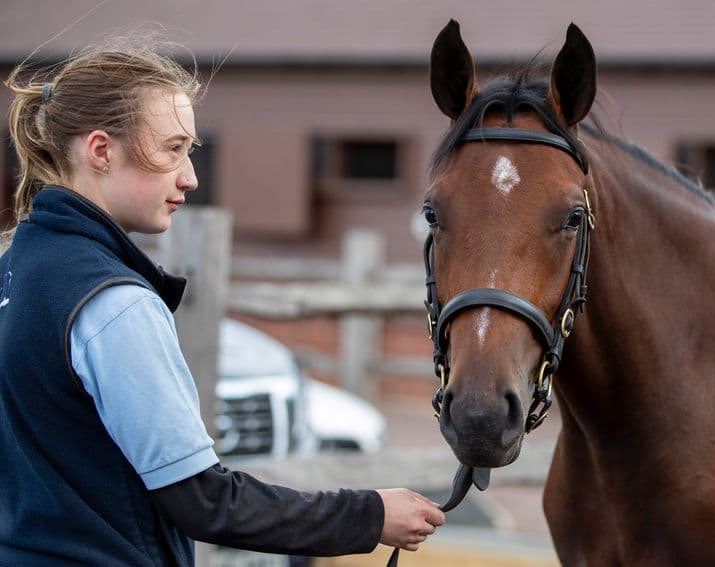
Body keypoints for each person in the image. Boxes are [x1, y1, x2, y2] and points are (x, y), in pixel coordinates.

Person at [0, 35, 445, 565]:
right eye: (172, 149)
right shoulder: (112, 303)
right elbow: (204, 502)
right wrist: (369, 515)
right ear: (101, 150)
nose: (189, 177)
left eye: (190, 151)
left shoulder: (14, 271)